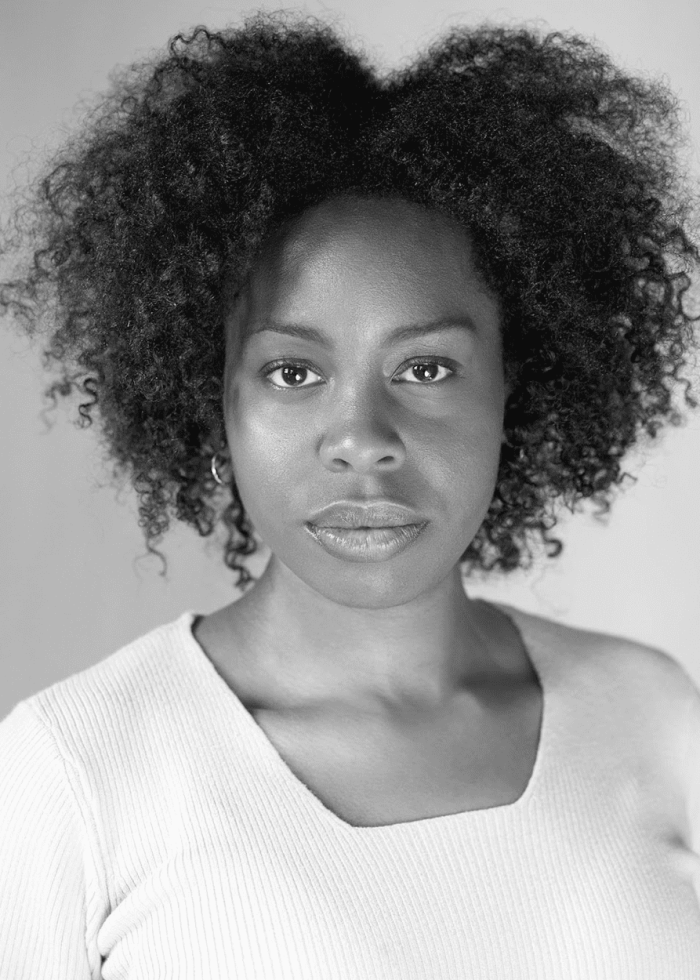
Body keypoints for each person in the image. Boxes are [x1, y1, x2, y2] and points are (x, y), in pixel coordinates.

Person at [1, 12, 700, 978]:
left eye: (426, 369)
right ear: (213, 402)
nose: (363, 438)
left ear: (517, 387)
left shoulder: (653, 712)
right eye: (293, 373)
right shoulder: (71, 772)